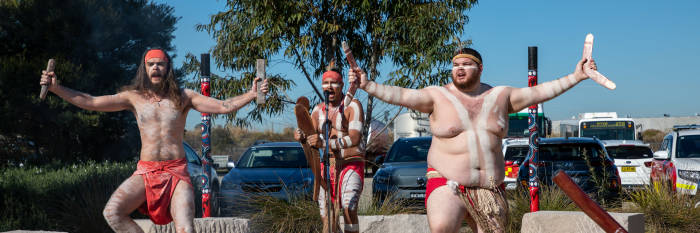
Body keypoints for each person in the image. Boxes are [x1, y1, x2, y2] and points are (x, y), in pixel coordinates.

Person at [349, 47, 603, 233]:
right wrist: (368, 84)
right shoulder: (437, 96)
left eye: (466, 64)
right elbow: (402, 95)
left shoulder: (501, 96)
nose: (459, 68)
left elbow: (540, 91)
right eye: (455, 64)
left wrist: (576, 76)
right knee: (441, 227)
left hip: (489, 187)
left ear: (480, 68)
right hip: (446, 182)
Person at [39, 48, 268, 233]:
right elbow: (91, 101)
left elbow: (222, 106)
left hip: (177, 173)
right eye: (151, 64)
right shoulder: (133, 97)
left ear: (168, 68)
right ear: (145, 68)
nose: (156, 67)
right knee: (112, 212)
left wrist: (250, 94)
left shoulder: (184, 96)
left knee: (185, 229)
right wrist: (57, 89)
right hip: (146, 172)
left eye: (160, 63)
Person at [294, 67, 365, 233]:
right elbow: (309, 134)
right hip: (326, 167)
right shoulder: (318, 110)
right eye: (326, 83)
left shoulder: (353, 106)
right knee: (327, 216)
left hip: (350, 164)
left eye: (334, 82)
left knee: (349, 208)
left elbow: (355, 139)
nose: (329, 86)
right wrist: (301, 136)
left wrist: (324, 144)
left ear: (342, 85)